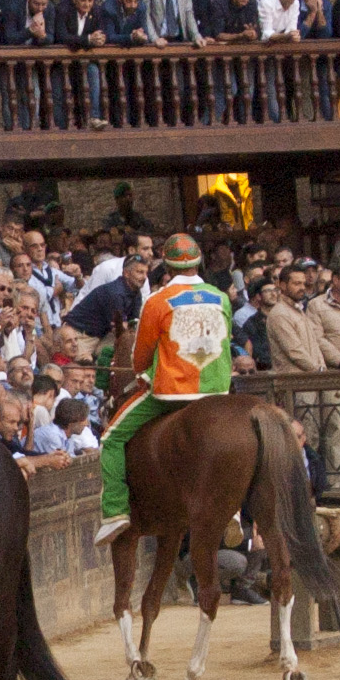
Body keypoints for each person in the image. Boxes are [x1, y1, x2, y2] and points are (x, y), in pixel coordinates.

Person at [90, 231, 233, 549]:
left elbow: (140, 357)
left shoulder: (156, 301)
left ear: (165, 265)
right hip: (217, 393)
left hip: (172, 394)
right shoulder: (222, 298)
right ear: (199, 262)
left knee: (111, 439)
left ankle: (115, 512)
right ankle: (232, 510)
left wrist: (144, 373)